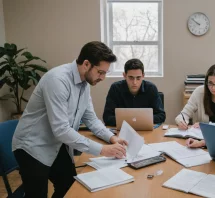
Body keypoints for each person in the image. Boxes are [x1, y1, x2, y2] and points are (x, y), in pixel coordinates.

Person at [12, 41, 128, 198]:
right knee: (38, 194)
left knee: (70, 187)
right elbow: (61, 129)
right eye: (100, 72)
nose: (103, 77)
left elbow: (91, 120)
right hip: (32, 146)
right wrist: (102, 150)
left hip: (56, 142)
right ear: (86, 64)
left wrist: (112, 138)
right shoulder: (57, 80)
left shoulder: (85, 84)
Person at [103, 58, 165, 126]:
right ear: (124, 75)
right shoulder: (115, 88)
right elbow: (107, 117)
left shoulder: (151, 88)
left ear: (143, 76)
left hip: (145, 129)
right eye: (131, 78)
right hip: (122, 130)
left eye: (138, 78)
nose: (135, 82)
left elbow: (161, 116)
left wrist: (138, 120)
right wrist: (133, 120)